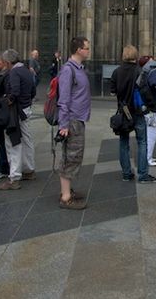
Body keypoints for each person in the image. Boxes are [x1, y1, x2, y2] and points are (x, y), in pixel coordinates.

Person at [111, 45, 156, 183]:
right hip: (138, 111)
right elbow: (145, 91)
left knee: (123, 142)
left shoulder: (117, 72)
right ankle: (143, 174)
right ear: (135, 55)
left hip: (123, 112)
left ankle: (126, 173)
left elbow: (113, 91)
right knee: (142, 142)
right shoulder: (140, 71)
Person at [57, 36, 93, 209]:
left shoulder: (78, 68)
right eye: (86, 48)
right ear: (78, 50)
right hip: (72, 120)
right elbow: (63, 99)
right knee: (70, 157)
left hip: (78, 118)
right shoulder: (68, 70)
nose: (88, 50)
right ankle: (65, 197)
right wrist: (63, 125)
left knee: (74, 155)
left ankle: (68, 190)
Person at [0, 49, 36, 190]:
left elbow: (14, 91)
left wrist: (7, 101)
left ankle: (14, 177)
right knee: (27, 139)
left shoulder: (14, 72)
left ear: (7, 62)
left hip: (16, 111)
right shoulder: (26, 70)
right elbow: (33, 91)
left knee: (13, 142)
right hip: (26, 108)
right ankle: (29, 169)